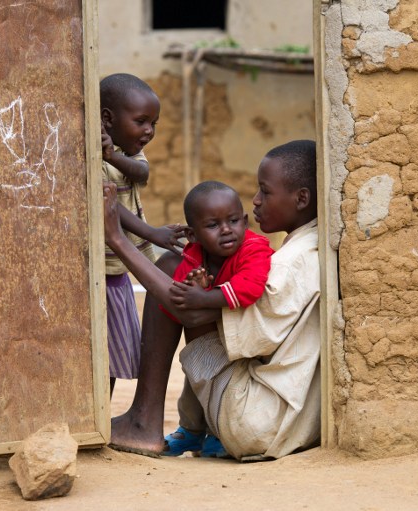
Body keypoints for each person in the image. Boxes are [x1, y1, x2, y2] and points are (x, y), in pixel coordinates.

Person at [103, 140, 321, 461]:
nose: (256, 200)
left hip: (252, 419)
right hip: (284, 420)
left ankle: (144, 421)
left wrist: (118, 240)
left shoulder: (289, 264)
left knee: (171, 269)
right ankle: (180, 426)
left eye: (264, 191)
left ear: (301, 198)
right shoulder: (310, 246)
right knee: (188, 277)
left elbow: (191, 315)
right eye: (213, 225)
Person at [159, 180, 275, 458]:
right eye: (213, 225)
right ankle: (191, 431)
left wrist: (204, 297)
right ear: (193, 235)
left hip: (249, 345)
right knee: (197, 375)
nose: (226, 230)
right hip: (213, 341)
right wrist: (195, 285)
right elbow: (181, 296)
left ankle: (216, 433)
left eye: (233, 221)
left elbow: (249, 288)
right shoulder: (194, 255)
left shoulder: (254, 249)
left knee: (222, 385)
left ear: (244, 222)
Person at [100, 73, 185, 396]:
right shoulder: (89, 153)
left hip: (121, 268)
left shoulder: (124, 151)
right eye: (141, 122)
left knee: (112, 354)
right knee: (101, 351)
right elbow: (109, 207)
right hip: (104, 266)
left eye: (154, 124)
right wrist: (153, 233)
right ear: (108, 118)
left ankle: (103, 412)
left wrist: (113, 156)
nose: (149, 131)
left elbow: (142, 172)